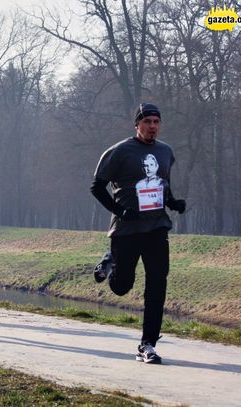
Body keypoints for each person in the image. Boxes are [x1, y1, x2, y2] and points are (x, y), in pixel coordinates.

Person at [90, 103, 186, 364]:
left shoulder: (166, 152)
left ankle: (148, 344)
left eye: (156, 122)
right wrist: (119, 211)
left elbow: (162, 186)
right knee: (122, 287)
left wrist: (173, 203)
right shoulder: (120, 151)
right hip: (126, 230)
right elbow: (97, 187)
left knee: (157, 284)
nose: (152, 126)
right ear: (137, 125)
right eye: (147, 122)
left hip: (156, 227)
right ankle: (109, 265)